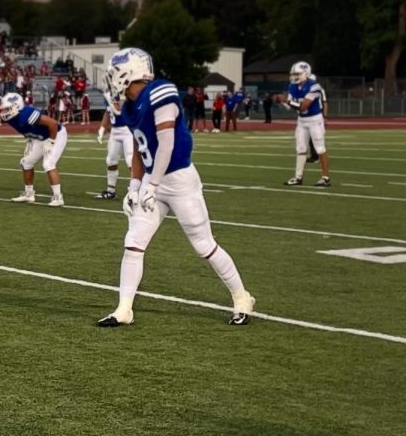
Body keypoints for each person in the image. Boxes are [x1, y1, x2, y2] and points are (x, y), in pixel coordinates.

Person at [97, 47, 255, 328]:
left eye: (114, 73)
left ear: (129, 72)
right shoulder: (132, 105)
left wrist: (152, 183)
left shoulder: (160, 91)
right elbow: (138, 147)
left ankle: (242, 297)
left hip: (179, 179)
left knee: (204, 245)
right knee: (133, 243)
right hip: (152, 181)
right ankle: (124, 309)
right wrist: (134, 185)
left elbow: (166, 142)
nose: (111, 79)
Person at [0, 92, 66, 207]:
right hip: (39, 138)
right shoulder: (12, 118)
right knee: (26, 162)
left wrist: (51, 142)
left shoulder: (27, 114)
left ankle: (58, 197)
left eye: (7, 108)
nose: (5, 112)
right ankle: (29, 194)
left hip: (56, 134)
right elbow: (25, 129)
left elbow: (53, 124)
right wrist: (29, 140)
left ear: (17, 106)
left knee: (48, 163)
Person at [282, 62, 331, 187]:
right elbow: (289, 106)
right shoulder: (292, 86)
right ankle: (298, 177)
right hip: (302, 121)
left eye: (297, 74)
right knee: (301, 149)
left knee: (320, 149)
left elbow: (303, 107)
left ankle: (325, 177)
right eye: (293, 74)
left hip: (315, 120)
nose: (294, 76)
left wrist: (287, 101)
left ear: (305, 73)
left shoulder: (314, 86)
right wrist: (282, 101)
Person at [95, 94, 134, 200]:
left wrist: (115, 100)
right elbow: (108, 112)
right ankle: (111, 191)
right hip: (115, 131)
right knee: (111, 161)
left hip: (127, 130)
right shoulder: (108, 94)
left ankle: (135, 190)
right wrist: (102, 128)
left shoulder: (123, 92)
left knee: (131, 161)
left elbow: (120, 110)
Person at [307, 75, 326, 163]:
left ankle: (318, 156)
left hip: (318, 114)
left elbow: (324, 103)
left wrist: (324, 116)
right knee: (310, 136)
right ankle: (314, 155)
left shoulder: (320, 90)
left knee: (317, 136)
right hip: (311, 114)